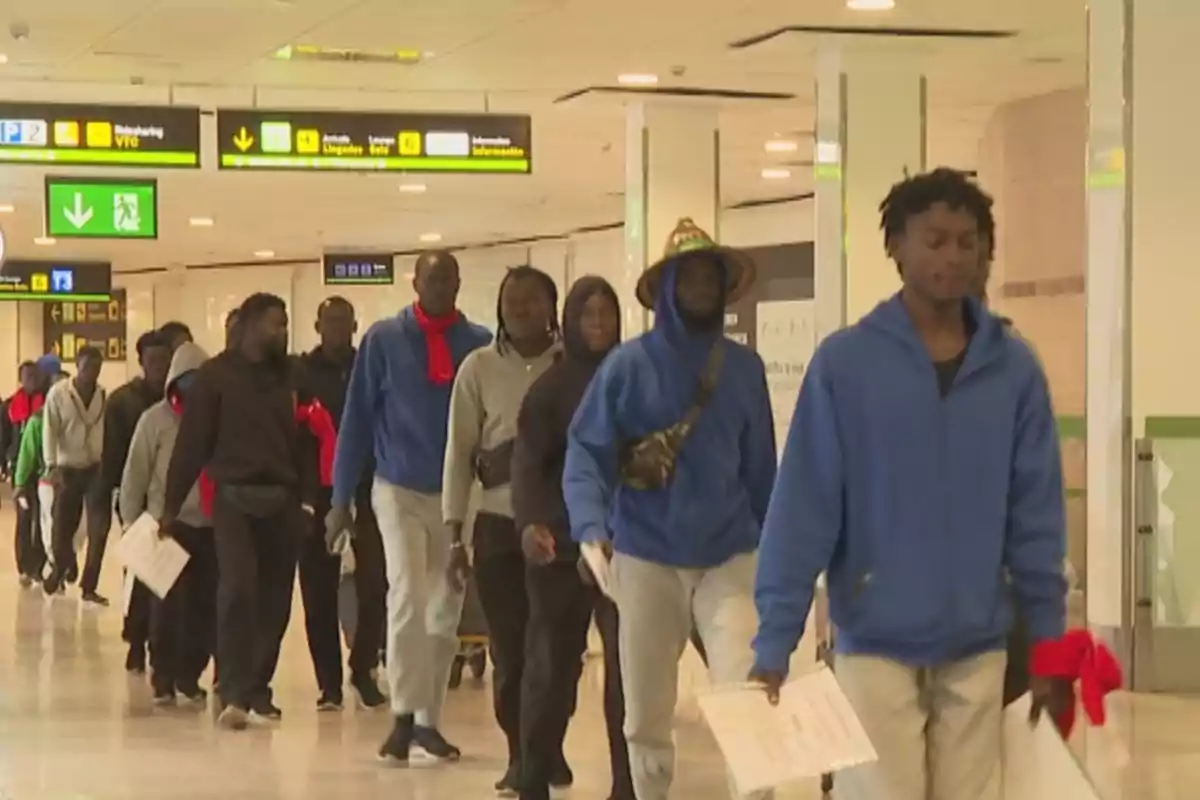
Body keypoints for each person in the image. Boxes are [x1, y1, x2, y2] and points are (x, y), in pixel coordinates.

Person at [751, 169, 1069, 800]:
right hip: (874, 639)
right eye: (934, 240)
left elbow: (1037, 519)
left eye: (967, 241)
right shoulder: (846, 364)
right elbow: (803, 510)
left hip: (979, 641)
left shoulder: (1014, 370)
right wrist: (775, 640)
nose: (952, 256)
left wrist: (1051, 647)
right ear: (895, 245)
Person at [563, 218, 776, 800]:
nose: (702, 287)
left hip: (729, 557)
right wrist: (588, 528)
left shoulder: (744, 370)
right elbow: (586, 449)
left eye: (712, 276)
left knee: (748, 699)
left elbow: (762, 470)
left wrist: (777, 557)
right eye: (691, 277)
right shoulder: (627, 367)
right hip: (646, 556)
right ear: (667, 289)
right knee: (646, 711)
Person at [328, 249, 491, 763]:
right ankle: (401, 716)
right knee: (406, 596)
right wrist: (339, 500)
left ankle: (428, 721)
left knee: (445, 608)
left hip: (457, 494)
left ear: (460, 284)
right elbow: (355, 422)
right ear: (415, 282)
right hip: (396, 486)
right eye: (431, 277)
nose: (441, 285)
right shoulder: (383, 340)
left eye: (449, 278)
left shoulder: (479, 345)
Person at [163, 293, 316, 731]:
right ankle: (232, 690)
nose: (283, 332)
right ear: (249, 327)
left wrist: (308, 500)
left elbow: (308, 440)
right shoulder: (215, 377)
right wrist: (170, 507)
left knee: (275, 602)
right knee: (237, 590)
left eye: (285, 324)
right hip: (233, 498)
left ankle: (256, 688)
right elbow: (192, 444)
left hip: (284, 500)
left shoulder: (293, 376)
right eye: (275, 324)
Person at [511, 276, 633, 800]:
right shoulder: (550, 389)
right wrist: (531, 524)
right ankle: (532, 775)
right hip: (560, 546)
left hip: (625, 549)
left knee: (626, 674)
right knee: (550, 669)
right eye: (589, 315)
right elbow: (528, 465)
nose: (599, 324)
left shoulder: (635, 378)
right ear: (570, 322)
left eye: (607, 314)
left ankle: (627, 784)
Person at [444, 265, 562, 796]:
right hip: (496, 527)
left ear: (552, 308)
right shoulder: (478, 367)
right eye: (511, 300)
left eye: (532, 300)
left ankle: (547, 746)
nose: (521, 309)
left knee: (556, 654)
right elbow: (459, 453)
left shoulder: (571, 366)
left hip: (559, 528)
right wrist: (453, 532)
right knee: (511, 654)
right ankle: (521, 756)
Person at [297, 296, 388, 711]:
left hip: (370, 489)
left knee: (375, 584)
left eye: (344, 321)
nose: (337, 328)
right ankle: (328, 684)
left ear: (355, 326)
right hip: (316, 493)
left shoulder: (368, 366)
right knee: (318, 592)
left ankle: (362, 666)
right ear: (317, 326)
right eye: (329, 321)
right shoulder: (299, 374)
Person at [119, 342, 216, 706]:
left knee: (204, 608)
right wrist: (132, 522)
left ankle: (190, 675)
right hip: (167, 528)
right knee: (167, 610)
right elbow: (135, 474)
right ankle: (163, 676)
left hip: (209, 526)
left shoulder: (216, 420)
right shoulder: (154, 421)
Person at [105, 331, 173, 668]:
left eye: (165, 359)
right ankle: (136, 639)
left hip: (169, 502)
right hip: (134, 499)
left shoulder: (182, 401)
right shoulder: (122, 401)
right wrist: (117, 500)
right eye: (153, 360)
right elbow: (113, 454)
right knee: (140, 572)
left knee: (167, 574)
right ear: (142, 361)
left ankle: (161, 641)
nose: (159, 366)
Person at [42, 345, 110, 603]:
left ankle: (89, 586)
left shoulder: (102, 394)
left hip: (95, 469)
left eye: (97, 368)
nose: (92, 373)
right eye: (87, 368)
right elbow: (50, 431)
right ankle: (62, 566)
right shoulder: (58, 394)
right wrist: (52, 465)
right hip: (67, 469)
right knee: (62, 528)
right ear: (77, 366)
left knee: (99, 529)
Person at [3, 361, 48, 586]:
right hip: (19, 472)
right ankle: (23, 565)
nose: (32, 380)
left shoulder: (48, 404)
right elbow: (3, 438)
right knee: (24, 519)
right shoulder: (10, 406)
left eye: (35, 376)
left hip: (41, 470)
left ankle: (38, 567)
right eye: (27, 376)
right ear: (21, 379)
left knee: (42, 518)